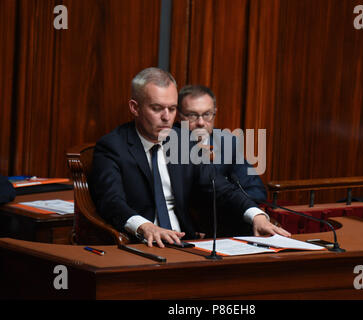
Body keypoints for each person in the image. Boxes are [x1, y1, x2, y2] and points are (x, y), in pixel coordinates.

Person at [89, 67, 290, 247]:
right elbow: (111, 202)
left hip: (187, 242)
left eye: (173, 108)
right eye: (157, 108)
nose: (167, 117)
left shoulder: (182, 141)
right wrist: (144, 226)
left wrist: (256, 215)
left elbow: (218, 187)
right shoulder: (112, 146)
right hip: (140, 245)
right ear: (135, 108)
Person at [177, 85, 267, 237]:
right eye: (192, 115)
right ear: (179, 116)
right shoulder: (169, 143)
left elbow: (256, 191)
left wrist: (224, 205)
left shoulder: (227, 143)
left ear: (215, 113)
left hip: (224, 228)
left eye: (207, 114)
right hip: (182, 231)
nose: (200, 122)